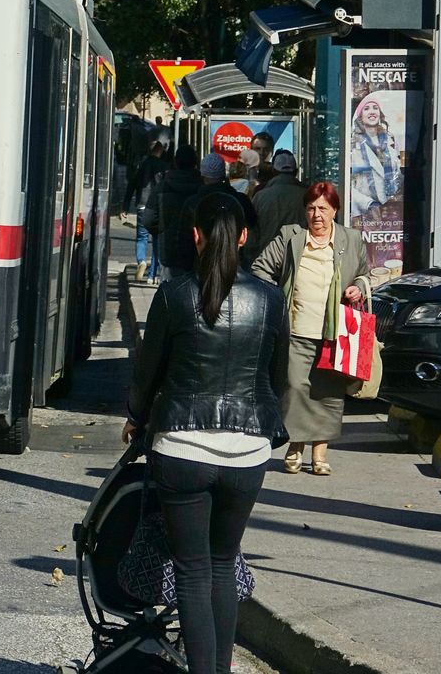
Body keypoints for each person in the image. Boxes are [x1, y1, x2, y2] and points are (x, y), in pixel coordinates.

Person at [124, 193, 288, 674]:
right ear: (242, 236)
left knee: (192, 570)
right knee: (222, 564)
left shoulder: (174, 296)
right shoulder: (270, 299)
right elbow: (277, 380)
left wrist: (137, 416)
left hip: (181, 447)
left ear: (195, 236)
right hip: (248, 452)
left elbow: (147, 374)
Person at [251, 180, 370, 477]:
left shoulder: (351, 239)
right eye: (311, 208)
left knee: (327, 393)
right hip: (296, 331)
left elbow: (365, 275)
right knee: (295, 388)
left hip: (335, 334)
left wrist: (358, 287)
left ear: (335, 210)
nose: (317, 215)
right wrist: (276, 299)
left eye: (323, 209)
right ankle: (295, 446)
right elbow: (260, 269)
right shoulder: (291, 237)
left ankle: (320, 453)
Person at [147, 145, 205, 282]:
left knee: (170, 294)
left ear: (175, 162)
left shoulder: (162, 187)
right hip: (197, 251)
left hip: (169, 250)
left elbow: (148, 220)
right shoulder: (203, 188)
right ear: (196, 163)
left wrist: (162, 230)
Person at [348, 93, 402, 223]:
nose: (372, 112)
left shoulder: (390, 141)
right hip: (365, 213)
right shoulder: (352, 145)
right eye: (366, 109)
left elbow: (397, 173)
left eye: (375, 108)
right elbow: (347, 186)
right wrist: (369, 204)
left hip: (391, 211)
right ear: (360, 115)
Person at [249, 150, 305, 257]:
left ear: (273, 171)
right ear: (296, 172)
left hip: (266, 257)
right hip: (299, 257)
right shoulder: (307, 196)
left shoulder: (260, 196)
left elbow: (252, 234)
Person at [130, 140, 168, 280]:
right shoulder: (163, 166)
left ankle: (141, 261)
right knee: (157, 240)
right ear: (160, 150)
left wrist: (125, 205)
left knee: (141, 237)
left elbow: (132, 184)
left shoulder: (141, 164)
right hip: (157, 206)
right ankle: (152, 276)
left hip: (142, 204)